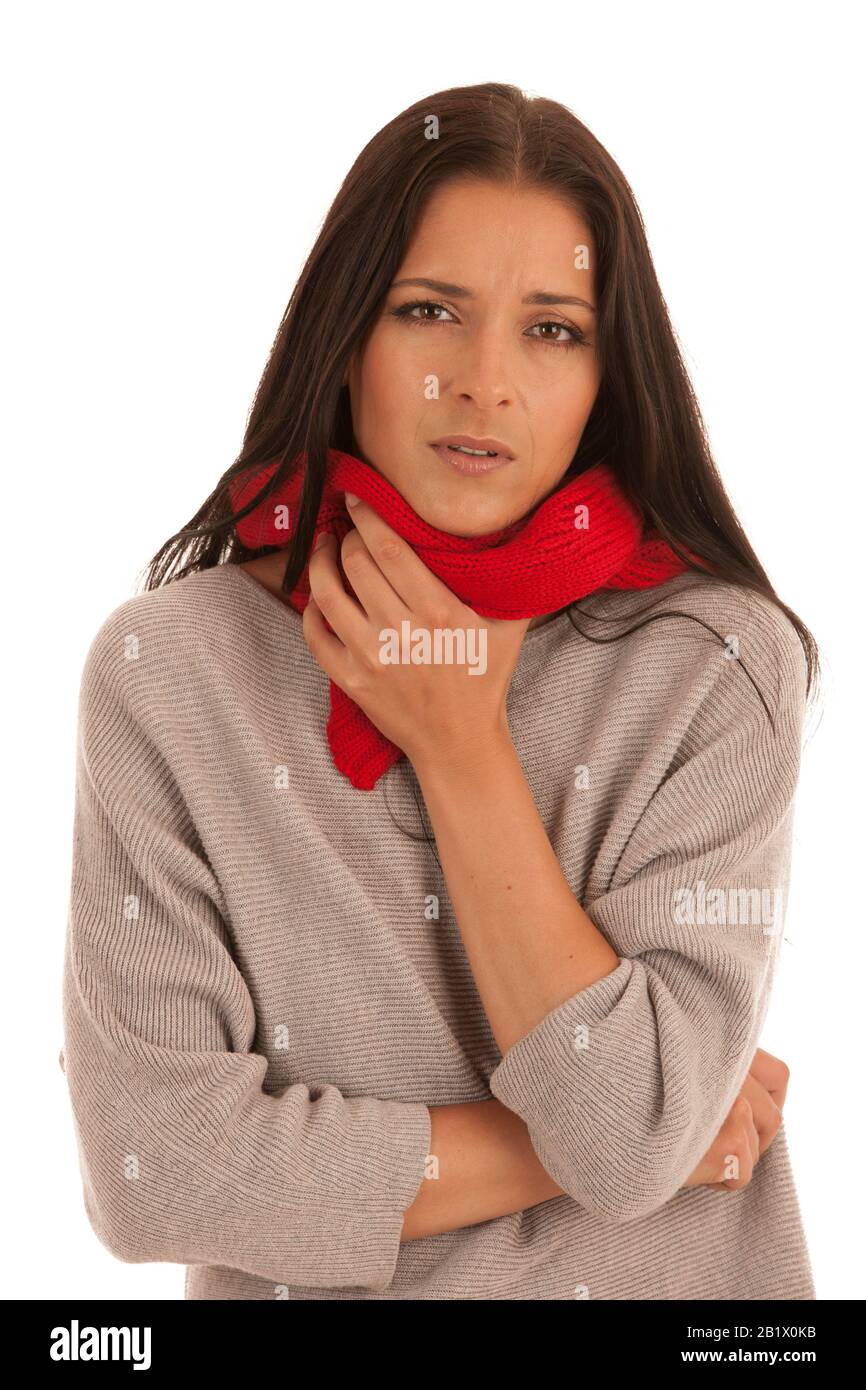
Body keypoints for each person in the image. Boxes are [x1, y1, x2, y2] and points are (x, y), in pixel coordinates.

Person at [60, 82, 819, 1300]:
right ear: (347, 335)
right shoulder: (173, 672)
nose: (484, 381)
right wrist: (639, 1130)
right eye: (429, 311)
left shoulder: (714, 668)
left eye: (552, 328)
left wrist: (459, 743)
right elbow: (156, 1171)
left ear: (605, 373)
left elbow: (628, 1133)